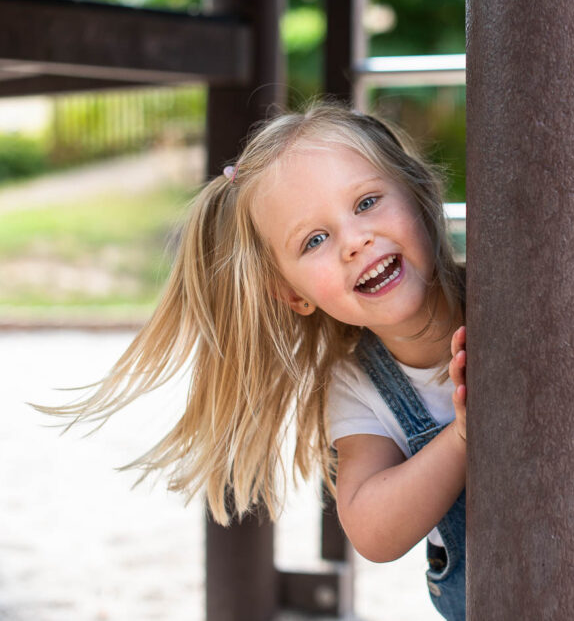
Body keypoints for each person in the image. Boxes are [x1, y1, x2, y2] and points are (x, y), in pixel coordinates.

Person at [34, 103, 468, 620]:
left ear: (419, 194)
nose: (354, 242)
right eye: (315, 240)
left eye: (367, 202)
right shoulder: (359, 386)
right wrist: (464, 436)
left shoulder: (516, 290)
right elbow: (373, 531)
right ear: (292, 294)